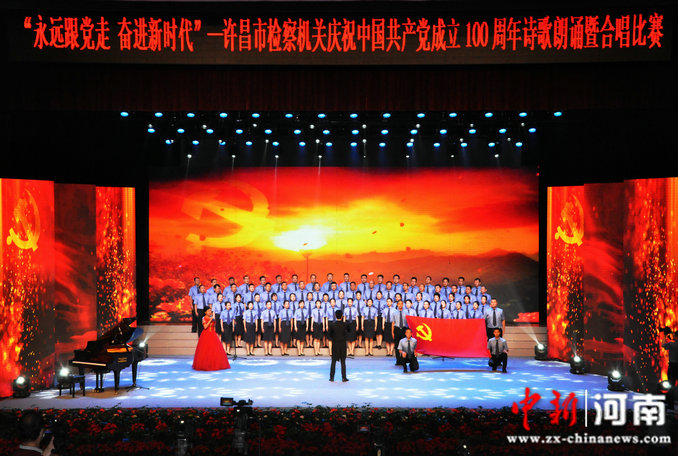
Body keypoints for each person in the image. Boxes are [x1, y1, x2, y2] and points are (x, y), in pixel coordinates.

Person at [328, 309, 350, 382]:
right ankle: (344, 377)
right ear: (342, 316)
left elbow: (329, 335)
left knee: (333, 361)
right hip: (343, 344)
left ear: (335, 316)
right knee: (343, 361)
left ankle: (331, 377)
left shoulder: (332, 325)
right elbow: (349, 331)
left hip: (335, 344)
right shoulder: (345, 324)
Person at [661, 329, 677, 409]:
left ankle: (671, 405)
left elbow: (663, 345)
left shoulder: (672, 344)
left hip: (673, 367)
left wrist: (665, 335)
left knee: (671, 386)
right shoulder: (672, 344)